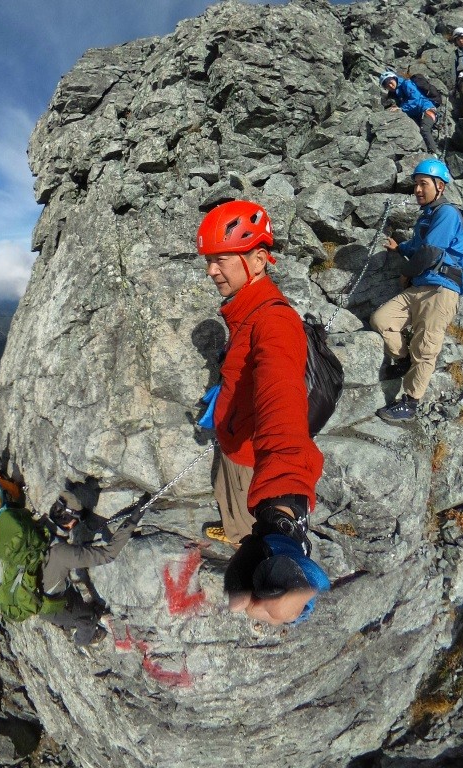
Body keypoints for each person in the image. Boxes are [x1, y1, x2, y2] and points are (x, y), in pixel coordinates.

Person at [196, 200, 331, 626]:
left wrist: (281, 518)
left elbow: (282, 405)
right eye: (209, 261)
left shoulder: (273, 323)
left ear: (257, 259)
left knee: (239, 508)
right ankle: (238, 528)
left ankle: (243, 536)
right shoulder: (247, 310)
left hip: (252, 456)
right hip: (236, 440)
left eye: (220, 260)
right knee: (226, 491)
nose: (211, 271)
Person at [371, 158, 463, 424]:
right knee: (382, 320)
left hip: (440, 289)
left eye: (423, 184)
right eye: (415, 184)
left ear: (440, 186)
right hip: (420, 285)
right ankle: (402, 360)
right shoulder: (427, 217)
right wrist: (399, 248)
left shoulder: (447, 213)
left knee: (426, 346)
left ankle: (410, 403)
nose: (417, 190)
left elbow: (430, 252)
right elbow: (417, 247)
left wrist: (406, 272)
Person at [36, 491, 148, 645]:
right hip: (47, 606)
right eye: (76, 521)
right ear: (68, 521)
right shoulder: (62, 553)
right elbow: (108, 554)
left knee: (71, 594)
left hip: (34, 586)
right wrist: (135, 517)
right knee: (88, 618)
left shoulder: (37, 527)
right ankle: (81, 640)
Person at [380, 70, 439, 154]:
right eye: (387, 86)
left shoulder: (406, 84)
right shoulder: (398, 92)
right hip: (419, 114)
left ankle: (433, 154)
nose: (390, 86)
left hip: (428, 109)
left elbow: (415, 99)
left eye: (390, 82)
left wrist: (401, 109)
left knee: (425, 129)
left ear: (394, 78)